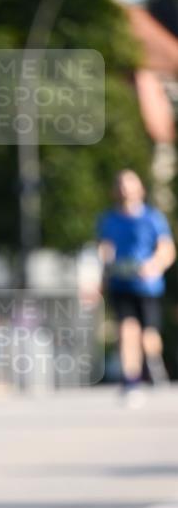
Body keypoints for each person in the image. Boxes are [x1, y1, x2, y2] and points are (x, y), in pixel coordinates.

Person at [97, 170, 176, 398]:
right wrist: (102, 275)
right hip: (121, 283)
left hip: (147, 287)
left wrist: (155, 266)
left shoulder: (152, 218)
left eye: (129, 184)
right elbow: (105, 248)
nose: (125, 189)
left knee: (148, 337)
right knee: (126, 330)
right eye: (121, 184)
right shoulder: (109, 219)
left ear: (140, 188)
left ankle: (153, 362)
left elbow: (167, 249)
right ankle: (131, 380)